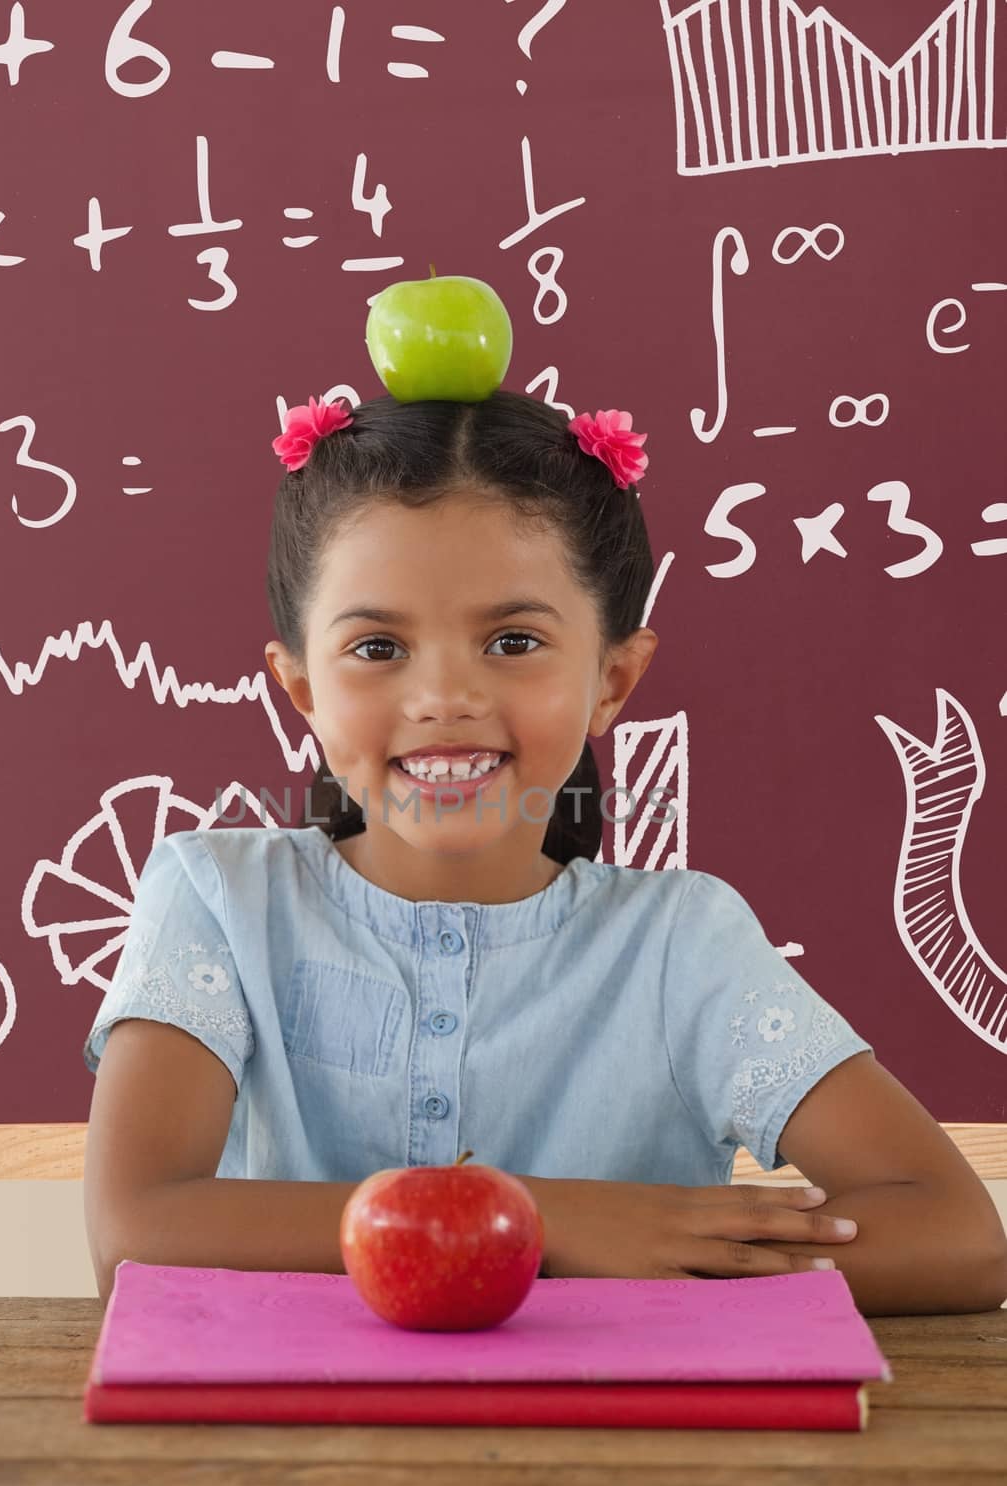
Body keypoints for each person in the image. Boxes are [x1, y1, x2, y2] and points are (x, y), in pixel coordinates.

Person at [81, 386, 1007, 1317]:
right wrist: (544, 1223)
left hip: (627, 1458)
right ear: (301, 690)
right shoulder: (216, 897)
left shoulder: (682, 944)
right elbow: (134, 1232)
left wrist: (684, 1249)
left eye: (512, 640)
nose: (444, 694)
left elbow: (957, 1238)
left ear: (613, 679)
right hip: (285, 1455)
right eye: (376, 647)